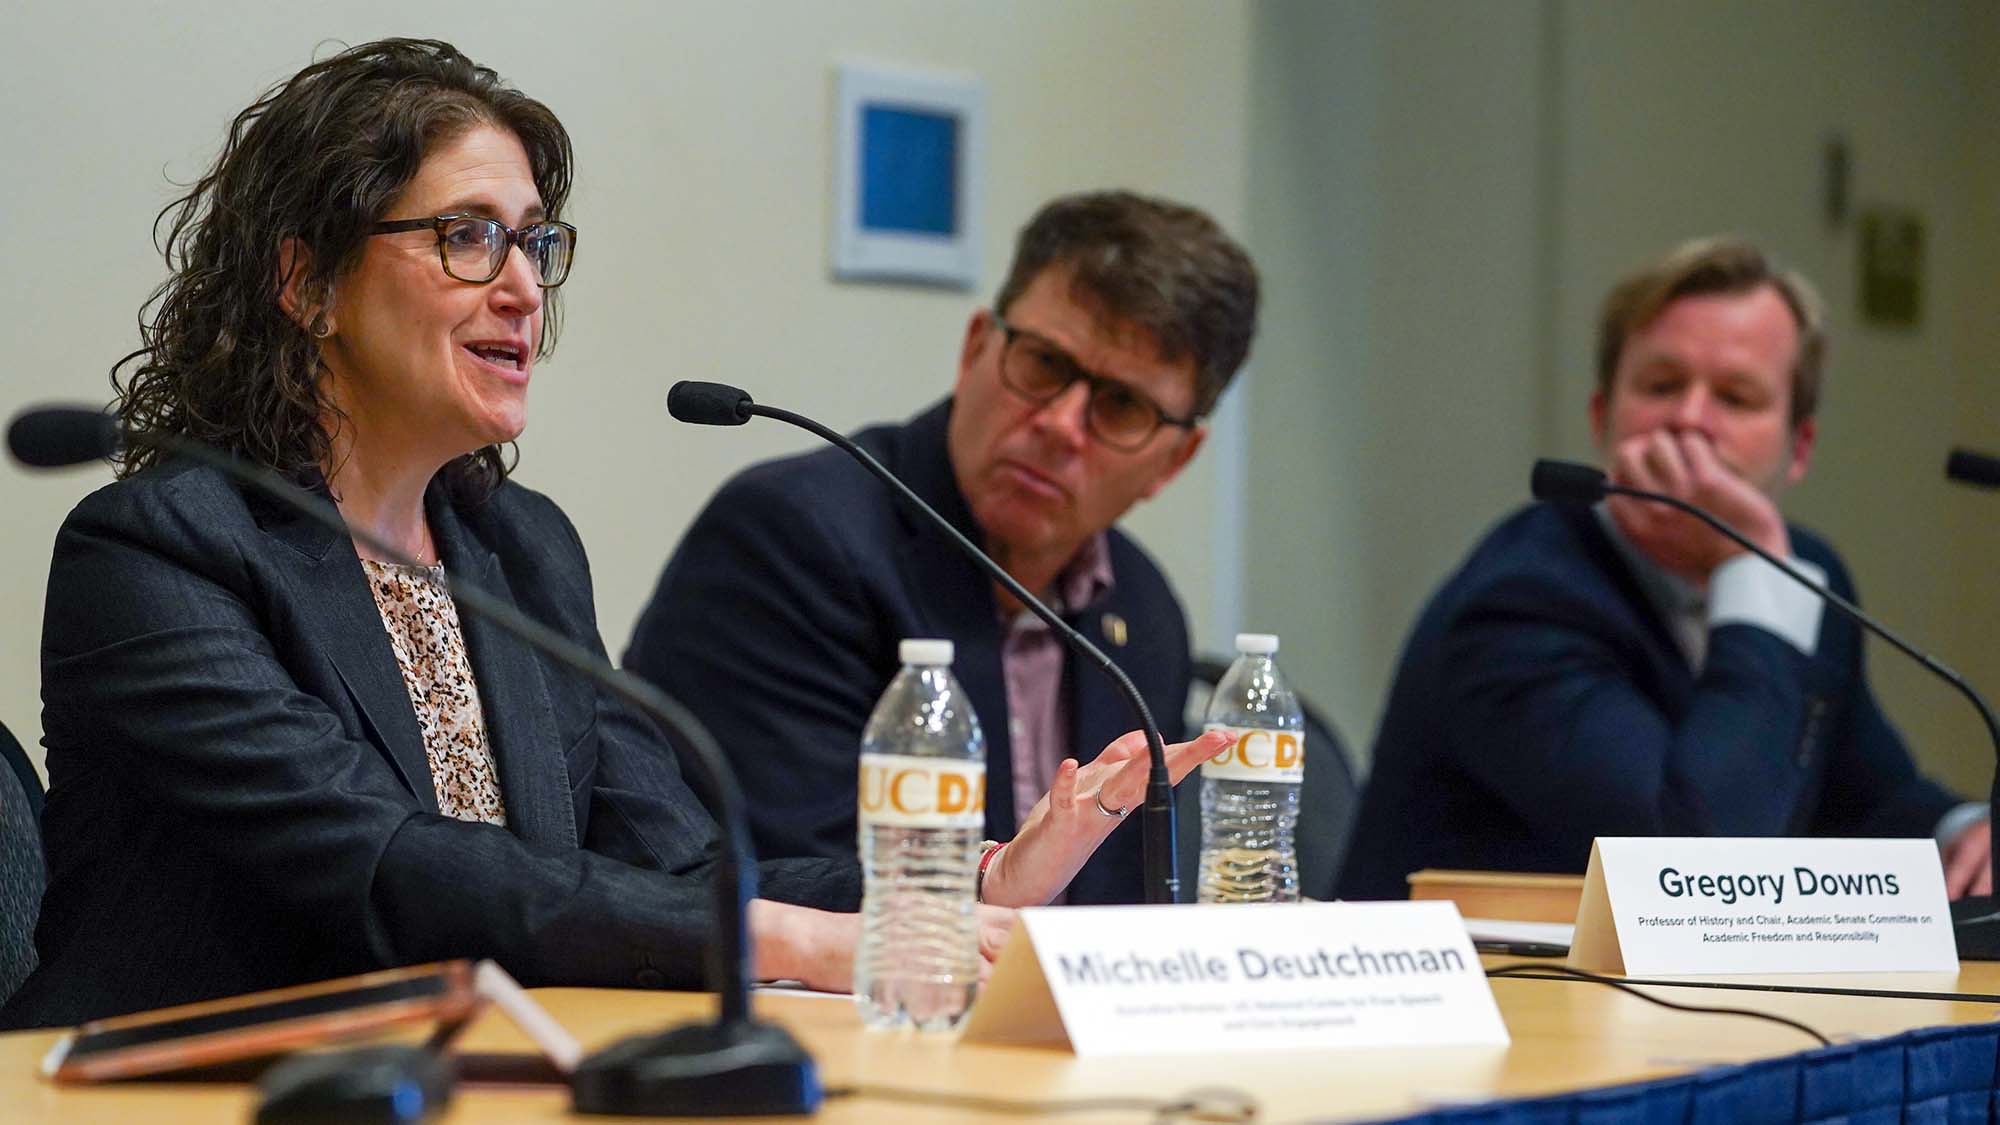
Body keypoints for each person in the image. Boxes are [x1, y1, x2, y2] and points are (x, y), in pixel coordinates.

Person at [1, 40, 1224, 1030]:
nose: (525, 287)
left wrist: (955, 888)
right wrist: (793, 939)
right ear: (305, 279)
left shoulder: (519, 550)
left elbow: (677, 867)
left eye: (535, 241)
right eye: (465, 235)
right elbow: (386, 867)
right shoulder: (158, 552)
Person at [624, 191, 1259, 904]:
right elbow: (780, 880)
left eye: (1120, 407)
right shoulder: (791, 540)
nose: (1059, 423)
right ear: (975, 348)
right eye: (1044, 364)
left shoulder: (1142, 612)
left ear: (1175, 460)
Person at [1338, 236, 1990, 901]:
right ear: (1602, 418)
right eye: (1661, 386)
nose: (1689, 420)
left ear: (1800, 447)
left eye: (1735, 397)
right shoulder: (1519, 603)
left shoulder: (1805, 574)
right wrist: (1745, 567)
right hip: (1476, 997)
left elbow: (1866, 798)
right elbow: (1698, 871)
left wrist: (1968, 827)